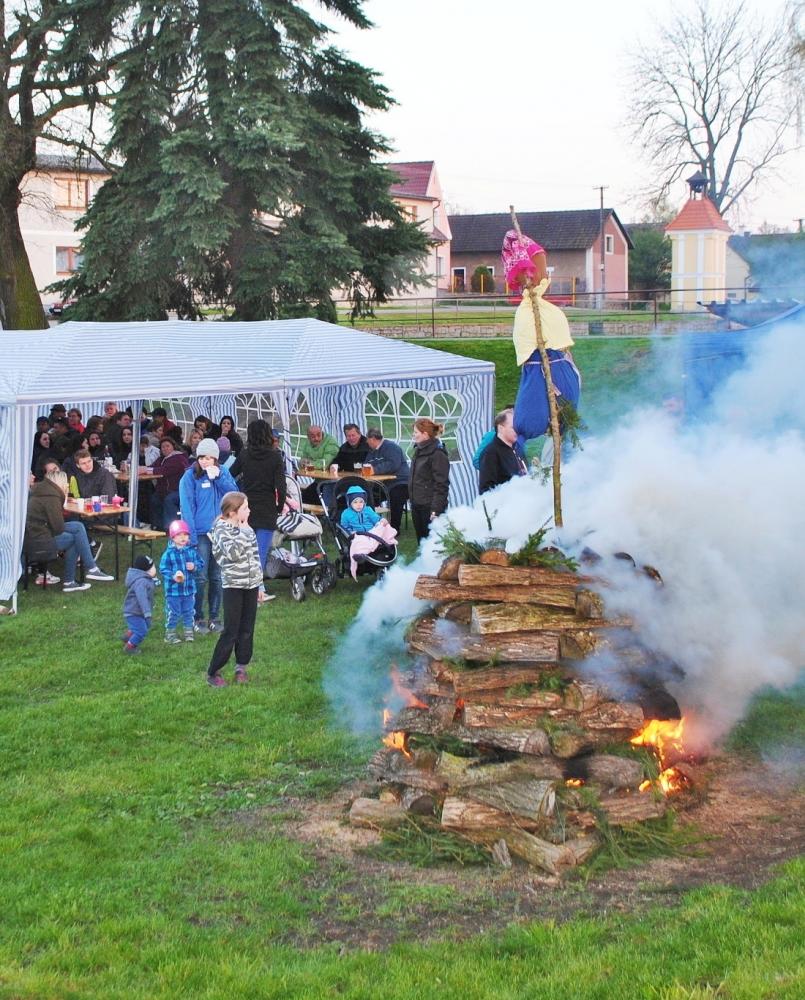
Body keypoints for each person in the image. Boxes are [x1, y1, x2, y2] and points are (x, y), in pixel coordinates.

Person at [501, 229, 581, 446]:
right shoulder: (527, 310)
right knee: (532, 417)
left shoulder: (540, 307)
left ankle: (561, 433)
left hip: (555, 362)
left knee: (562, 413)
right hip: (540, 363)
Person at [178, 438, 238, 633]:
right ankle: (197, 617)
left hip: (220, 531)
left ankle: (214, 616)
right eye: (202, 457)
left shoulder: (223, 472)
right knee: (200, 576)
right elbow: (187, 508)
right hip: (201, 533)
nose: (205, 461)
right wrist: (191, 537)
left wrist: (219, 478)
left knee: (217, 576)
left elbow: (234, 496)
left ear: (216, 459)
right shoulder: (189, 477)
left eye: (209, 458)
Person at [24, 470, 115, 592]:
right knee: (75, 538)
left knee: (78, 526)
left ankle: (86, 572)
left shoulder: (43, 492)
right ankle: (79, 575)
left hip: (35, 534)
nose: (67, 485)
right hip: (39, 540)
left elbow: (54, 525)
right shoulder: (51, 497)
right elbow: (58, 527)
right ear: (59, 482)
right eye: (65, 482)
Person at [206, 492, 263, 687]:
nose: (249, 511)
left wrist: (259, 584)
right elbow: (233, 554)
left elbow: (255, 556)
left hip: (251, 585)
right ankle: (213, 671)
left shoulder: (245, 527)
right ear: (232, 512)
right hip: (233, 586)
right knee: (231, 630)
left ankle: (241, 668)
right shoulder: (221, 529)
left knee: (247, 628)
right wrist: (244, 531)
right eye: (245, 508)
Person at [229, 419, 286, 605]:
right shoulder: (275, 457)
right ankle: (256, 592)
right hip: (267, 508)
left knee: (246, 551)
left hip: (246, 508)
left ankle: (250, 588)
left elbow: (230, 474)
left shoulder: (245, 455)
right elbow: (281, 487)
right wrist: (279, 507)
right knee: (260, 552)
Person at [159, 519, 203, 644]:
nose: (183, 537)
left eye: (185, 534)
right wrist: (173, 576)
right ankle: (170, 635)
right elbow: (163, 569)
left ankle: (188, 633)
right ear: (173, 537)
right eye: (179, 535)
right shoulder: (168, 554)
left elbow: (201, 563)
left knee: (189, 612)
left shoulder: (191, 552)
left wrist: (194, 567)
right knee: (173, 612)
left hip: (189, 590)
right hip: (173, 591)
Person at [408, 418, 450, 542]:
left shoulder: (438, 454)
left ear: (425, 434)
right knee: (421, 541)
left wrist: (436, 509)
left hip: (429, 507)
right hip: (417, 504)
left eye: (416, 432)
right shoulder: (418, 450)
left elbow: (441, 484)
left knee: (433, 543)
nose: (413, 435)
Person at [364, 428, 410, 533]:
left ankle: (394, 529)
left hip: (401, 481)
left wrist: (375, 470)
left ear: (373, 439)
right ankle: (373, 524)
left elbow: (393, 464)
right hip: (383, 484)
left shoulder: (391, 447)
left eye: (368, 439)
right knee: (368, 495)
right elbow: (367, 464)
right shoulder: (372, 451)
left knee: (396, 495)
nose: (367, 442)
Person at [479, 408, 528, 493]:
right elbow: (486, 490)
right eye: (513, 427)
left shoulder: (517, 449)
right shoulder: (490, 453)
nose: (517, 431)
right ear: (501, 428)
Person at [151, 437, 189, 530]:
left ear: (173, 447)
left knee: (169, 500)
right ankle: (158, 526)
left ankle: (171, 527)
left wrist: (146, 470)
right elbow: (152, 467)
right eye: (163, 447)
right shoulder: (161, 459)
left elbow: (164, 470)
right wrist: (143, 469)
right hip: (165, 490)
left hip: (179, 490)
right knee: (155, 498)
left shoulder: (179, 458)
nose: (165, 448)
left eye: (167, 446)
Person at [122, 555, 158, 655]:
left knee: (143, 626)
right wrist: (147, 613)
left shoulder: (145, 579)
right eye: (153, 567)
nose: (155, 568)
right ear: (147, 571)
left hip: (137, 611)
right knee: (142, 631)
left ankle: (128, 636)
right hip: (134, 612)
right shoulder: (141, 582)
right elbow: (142, 598)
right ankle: (130, 647)